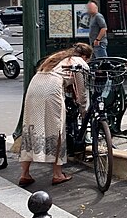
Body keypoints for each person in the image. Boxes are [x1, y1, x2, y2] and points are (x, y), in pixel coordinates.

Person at [18, 43, 93, 186]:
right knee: (57, 130)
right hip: (51, 89)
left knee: (31, 128)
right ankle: (57, 174)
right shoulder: (80, 63)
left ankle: (25, 174)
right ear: (85, 56)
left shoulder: (58, 58)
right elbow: (82, 92)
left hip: (34, 87)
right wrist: (84, 112)